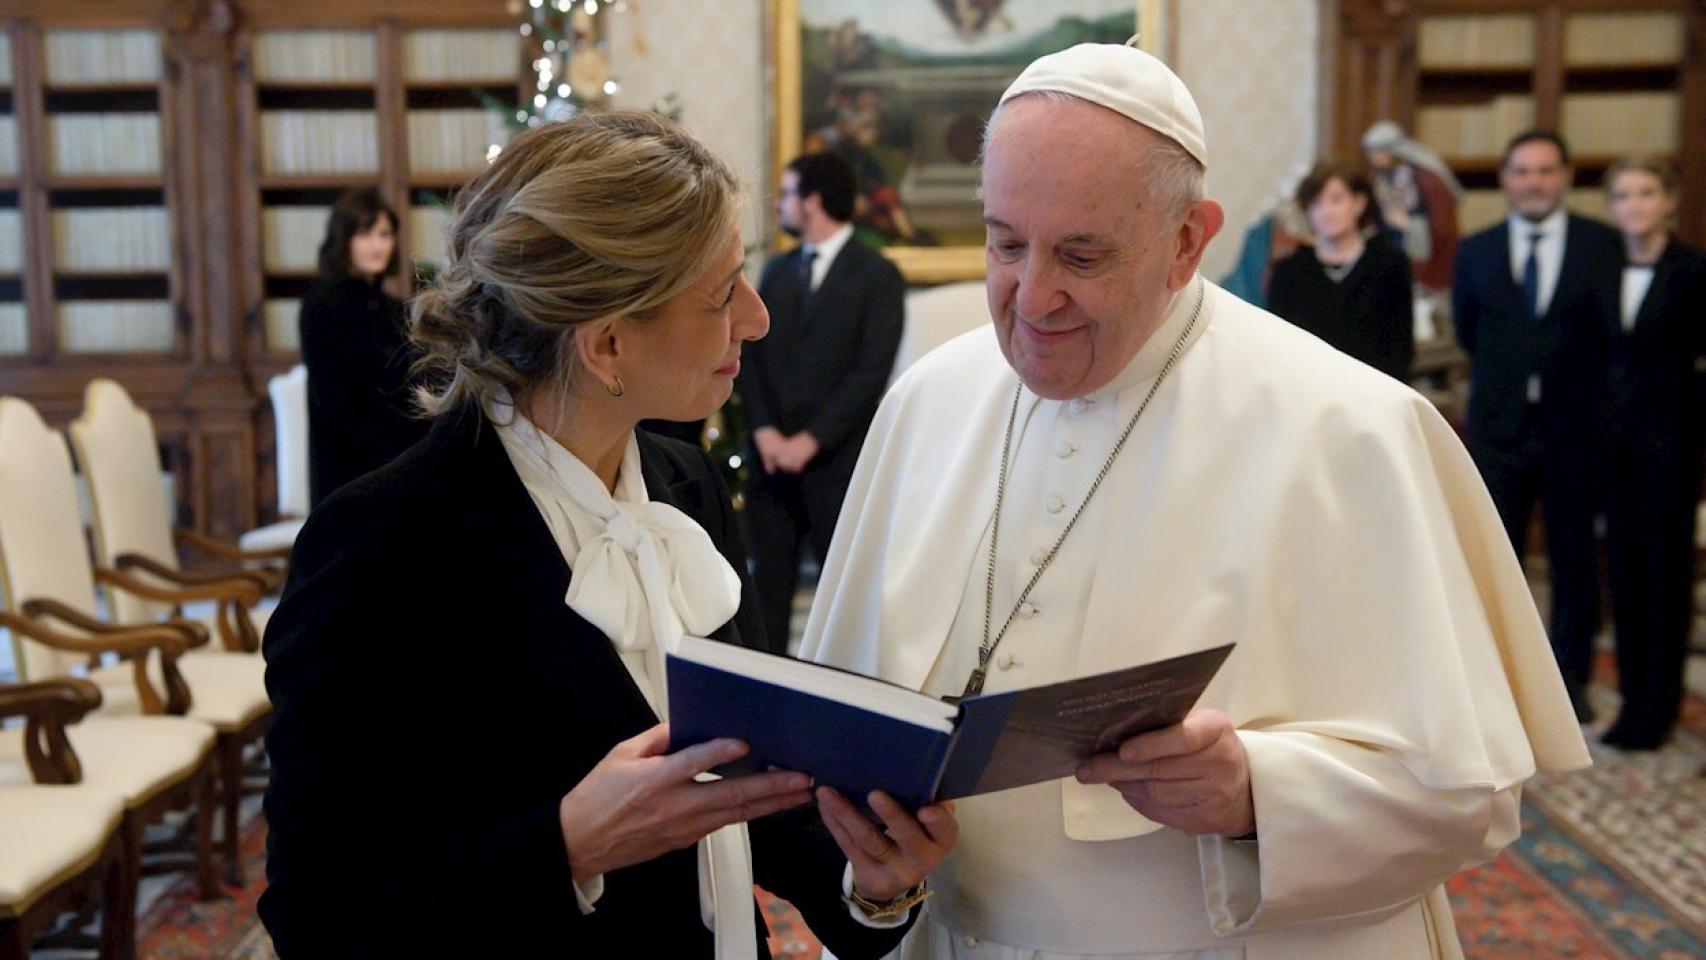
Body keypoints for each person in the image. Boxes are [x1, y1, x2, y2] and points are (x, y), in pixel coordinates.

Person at [801, 41, 1590, 959]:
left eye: (1082, 254)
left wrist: (1257, 793)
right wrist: (879, 873)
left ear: (1187, 240)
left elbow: (1470, 796)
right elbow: (842, 738)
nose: (1033, 296)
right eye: (1005, 243)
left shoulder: (1351, 427)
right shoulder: (927, 402)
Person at [261, 113, 956, 958]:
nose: (758, 318)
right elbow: (319, 915)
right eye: (722, 292)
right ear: (608, 343)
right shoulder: (379, 546)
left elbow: (746, 787)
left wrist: (870, 886)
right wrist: (567, 847)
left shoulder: (686, 486)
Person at [1451, 130, 1623, 720]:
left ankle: (1568, 687)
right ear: (1505, 179)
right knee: (1498, 566)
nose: (1534, 182)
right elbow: (1469, 330)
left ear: (1567, 177)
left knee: (1575, 563)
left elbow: (1609, 336)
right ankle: (1498, 689)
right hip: (1499, 433)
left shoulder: (1603, 246)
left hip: (1575, 430)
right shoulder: (1477, 250)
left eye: (1546, 171)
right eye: (1522, 171)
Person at [735, 152, 904, 653]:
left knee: (843, 604)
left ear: (811, 201)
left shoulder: (877, 275)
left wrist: (809, 441)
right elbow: (752, 358)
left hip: (837, 465)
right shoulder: (778, 271)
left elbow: (870, 373)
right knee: (765, 599)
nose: (781, 204)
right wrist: (765, 431)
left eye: (787, 193)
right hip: (771, 467)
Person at [1599, 157, 1706, 751]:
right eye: (1623, 195)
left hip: (1670, 452)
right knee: (1627, 581)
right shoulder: (1600, 268)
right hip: (1614, 452)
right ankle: (1633, 706)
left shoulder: (1694, 270)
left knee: (1666, 580)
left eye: (1646, 193)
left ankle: (1659, 710)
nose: (1634, 205)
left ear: (1668, 200)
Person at [297, 187, 429, 508]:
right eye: (365, 234)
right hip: (349, 463)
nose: (377, 245)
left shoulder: (394, 308)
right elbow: (336, 400)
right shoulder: (322, 304)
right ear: (344, 239)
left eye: (384, 234)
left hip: (396, 454)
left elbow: (406, 384)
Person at [1267, 161, 1415, 381]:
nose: (1326, 211)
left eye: (1336, 200)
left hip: (1373, 395)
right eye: (1316, 203)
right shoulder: (1289, 272)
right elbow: (1279, 349)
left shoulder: (1389, 265)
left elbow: (1400, 348)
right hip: (1307, 392)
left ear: (1358, 203)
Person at [1362, 120, 1463, 292]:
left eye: (1378, 151)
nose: (1373, 157)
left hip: (1420, 251)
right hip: (1391, 245)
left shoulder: (1425, 178)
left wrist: (1410, 225)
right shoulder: (1380, 177)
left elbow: (1441, 227)